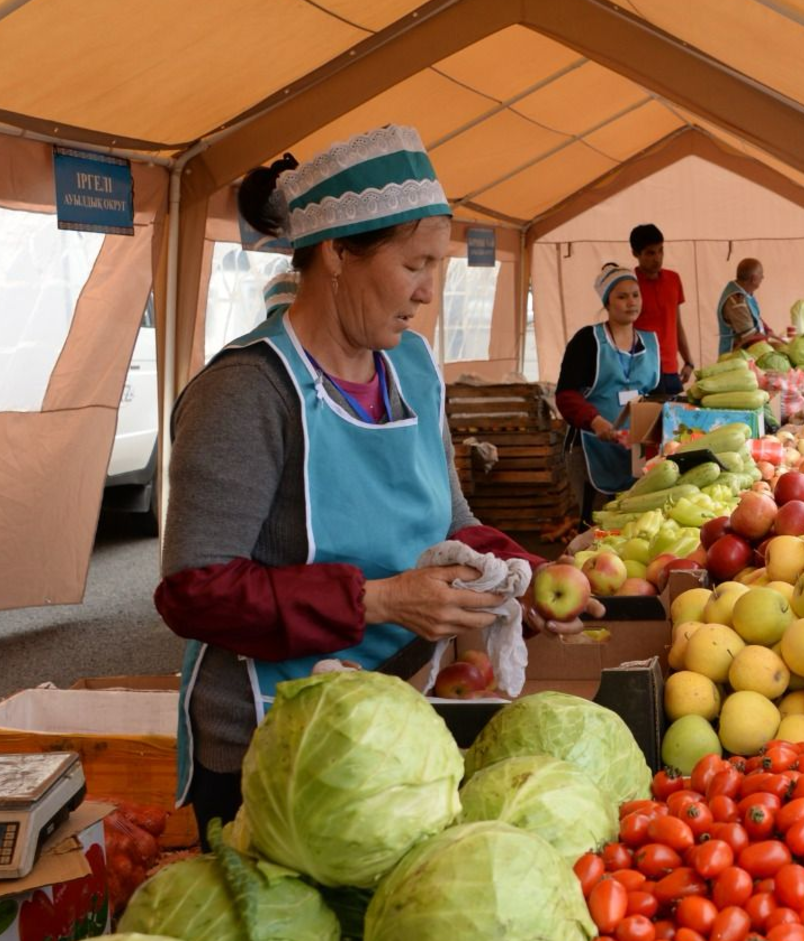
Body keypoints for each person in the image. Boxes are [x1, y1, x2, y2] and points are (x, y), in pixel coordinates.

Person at [154, 126, 586, 841]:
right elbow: (193, 591)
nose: (427, 292)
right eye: (415, 264)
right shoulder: (248, 393)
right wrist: (383, 599)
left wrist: (525, 574)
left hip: (400, 711)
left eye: (436, 267)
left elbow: (449, 517)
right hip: (277, 748)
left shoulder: (411, 366)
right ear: (336, 253)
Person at [555, 263, 662, 516]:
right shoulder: (588, 341)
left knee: (634, 520)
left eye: (635, 295)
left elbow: (659, 393)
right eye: (622, 296)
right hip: (592, 445)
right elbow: (566, 395)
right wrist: (595, 421)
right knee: (597, 521)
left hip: (638, 448)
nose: (631, 302)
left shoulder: (650, 341)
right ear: (607, 303)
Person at [630, 223, 692, 394]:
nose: (657, 257)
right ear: (635, 254)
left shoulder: (673, 279)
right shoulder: (628, 285)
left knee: (676, 419)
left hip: (671, 369)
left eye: (660, 250)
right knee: (648, 420)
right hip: (642, 371)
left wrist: (688, 361)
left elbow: (676, 324)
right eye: (650, 253)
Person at [715, 258, 766, 355]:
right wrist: (774, 345)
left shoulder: (745, 292)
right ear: (753, 278)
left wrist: (768, 330)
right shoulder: (736, 301)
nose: (763, 277)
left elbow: (756, 318)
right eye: (761, 275)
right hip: (734, 356)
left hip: (746, 354)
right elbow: (749, 336)